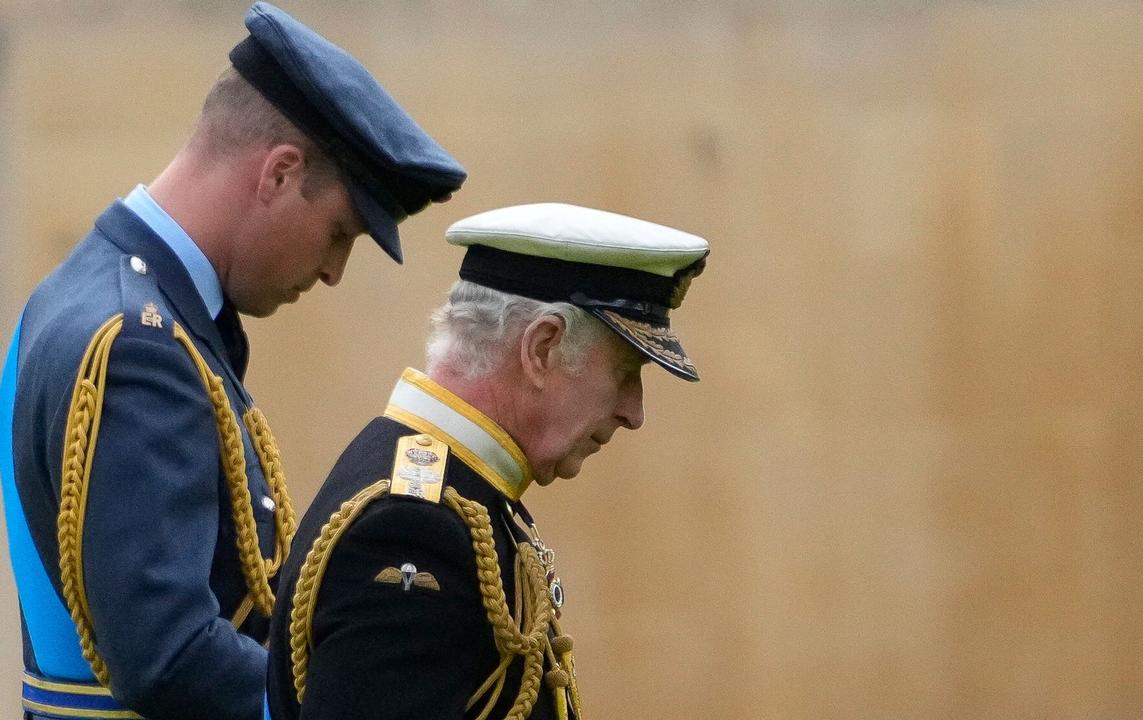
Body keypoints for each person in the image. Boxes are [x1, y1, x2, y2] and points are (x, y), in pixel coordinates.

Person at [0, 3, 466, 719]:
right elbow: (170, 656)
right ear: (279, 174)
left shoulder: (79, 294)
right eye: (340, 231)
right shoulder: (139, 343)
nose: (335, 269)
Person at [264, 203, 708, 720]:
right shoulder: (413, 527)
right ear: (542, 347)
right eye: (627, 369)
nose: (633, 412)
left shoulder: (452, 493)